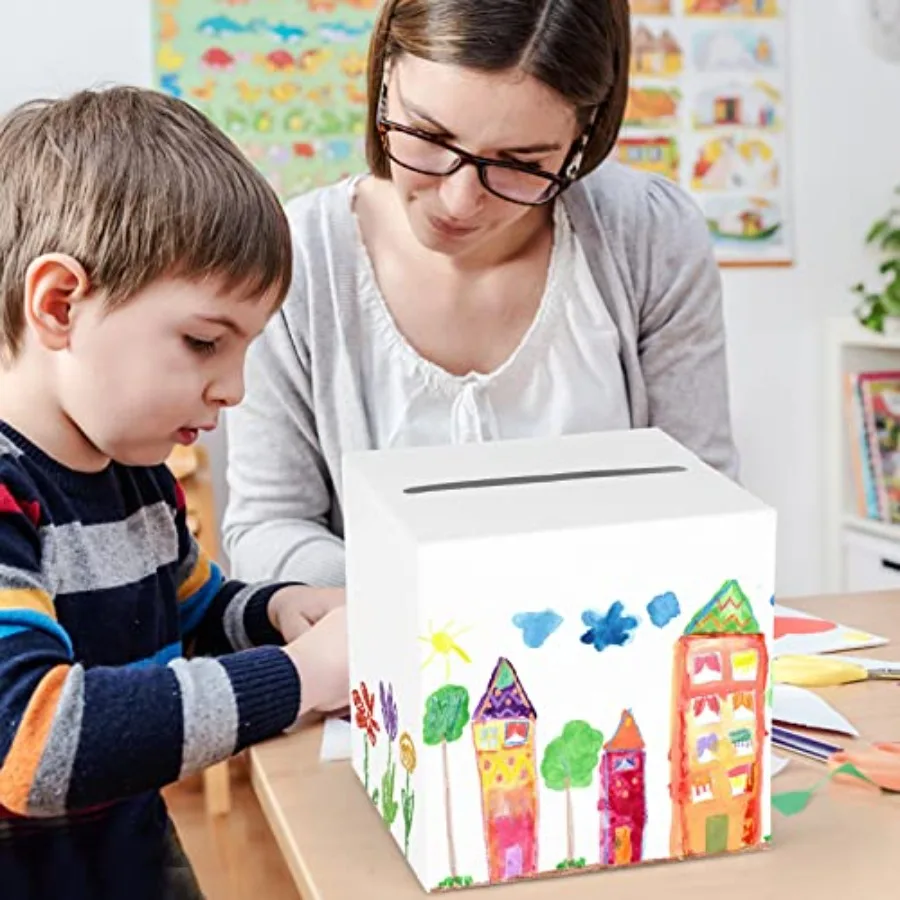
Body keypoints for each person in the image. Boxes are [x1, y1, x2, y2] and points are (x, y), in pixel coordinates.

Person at [222, 0, 739, 590]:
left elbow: (705, 502)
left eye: (521, 163)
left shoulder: (650, 235)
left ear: (583, 135)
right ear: (386, 73)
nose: (460, 201)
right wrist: (431, 599)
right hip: (383, 642)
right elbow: (268, 529)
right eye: (428, 136)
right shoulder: (297, 257)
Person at [0, 87, 347, 899]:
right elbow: (33, 744)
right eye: (203, 342)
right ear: (60, 305)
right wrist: (298, 676)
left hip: (134, 862)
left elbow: (190, 614)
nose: (234, 389)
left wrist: (276, 612)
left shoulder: (138, 476)